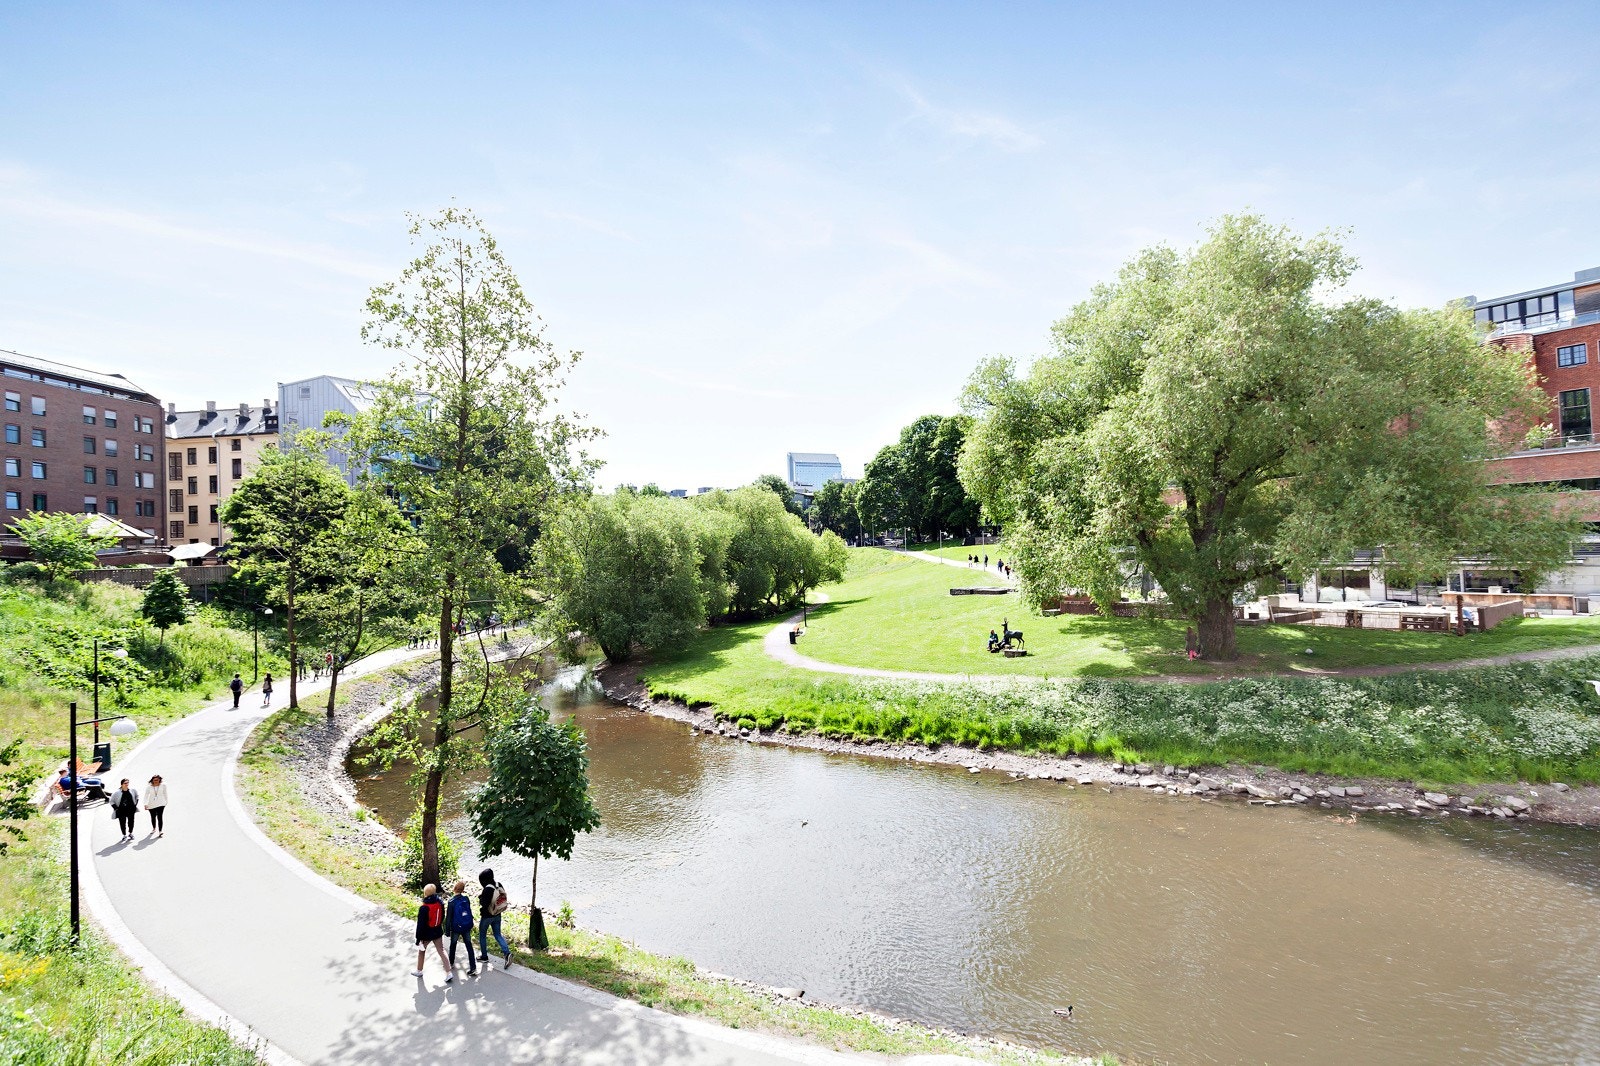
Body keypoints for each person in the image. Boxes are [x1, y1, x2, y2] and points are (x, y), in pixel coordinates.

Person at [412, 884, 452, 981]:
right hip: (437, 930)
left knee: (422, 951)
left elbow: (420, 925)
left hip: (426, 933)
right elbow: (442, 916)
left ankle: (419, 970)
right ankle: (448, 972)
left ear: (425, 894)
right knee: (441, 951)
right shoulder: (440, 903)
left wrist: (418, 938)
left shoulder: (424, 908)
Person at [477, 868, 512, 969]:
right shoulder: (498, 884)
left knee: (482, 935)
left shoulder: (487, 889)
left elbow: (484, 904)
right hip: (498, 913)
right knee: (497, 935)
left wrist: (481, 899)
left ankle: (484, 956)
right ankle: (507, 953)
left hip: (487, 916)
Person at [446, 880, 478, 975]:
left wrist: (447, 931)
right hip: (466, 925)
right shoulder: (466, 899)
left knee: (453, 944)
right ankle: (473, 967)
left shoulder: (451, 902)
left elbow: (448, 918)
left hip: (456, 927)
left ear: (454, 889)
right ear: (463, 890)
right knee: (469, 945)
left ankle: (451, 963)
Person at [144, 774, 168, 838]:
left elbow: (165, 794)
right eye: (154, 780)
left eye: (157, 780)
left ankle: (160, 831)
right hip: (151, 804)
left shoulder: (163, 785)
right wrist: (145, 804)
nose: (156, 781)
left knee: (160, 817)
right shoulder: (149, 787)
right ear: (152, 780)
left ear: (160, 780)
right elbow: (146, 796)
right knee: (153, 817)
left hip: (161, 804)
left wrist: (166, 802)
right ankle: (154, 828)